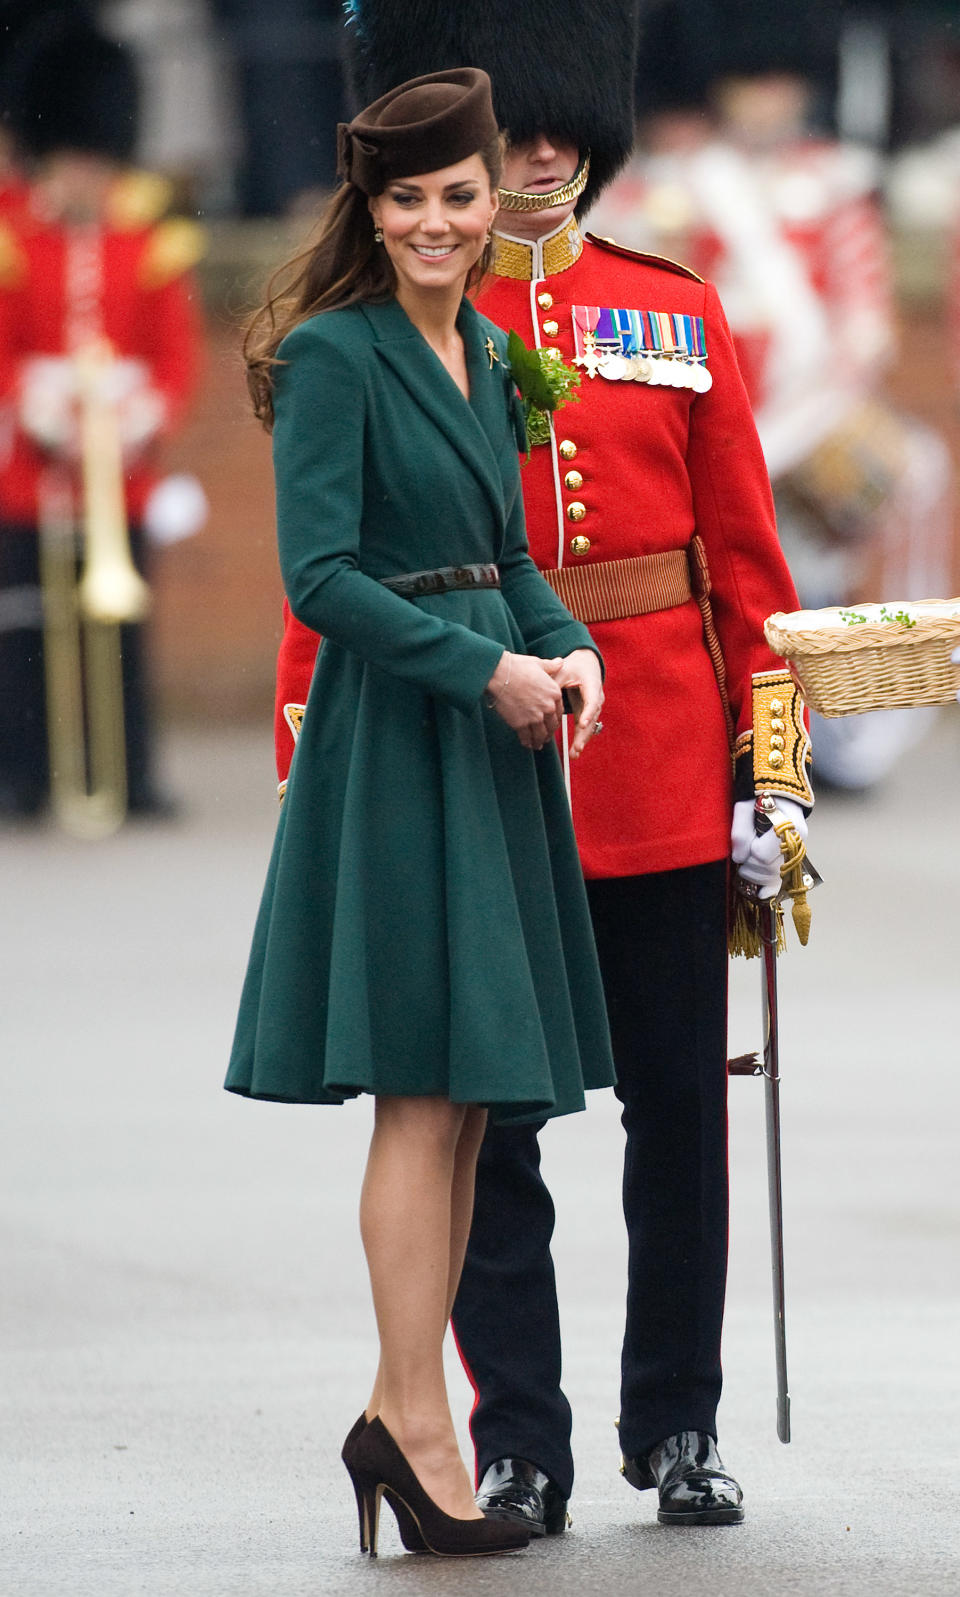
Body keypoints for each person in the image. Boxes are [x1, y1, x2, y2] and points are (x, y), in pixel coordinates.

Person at [273, 0, 815, 1535]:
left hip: (651, 762)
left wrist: (769, 770)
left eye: (567, 121)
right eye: (517, 126)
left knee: (679, 1116)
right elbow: (349, 568)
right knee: (487, 1127)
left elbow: (745, 576)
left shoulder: (673, 311)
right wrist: (312, 748)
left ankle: (680, 1419)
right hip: (466, 763)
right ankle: (517, 1433)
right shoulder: (410, 331)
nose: (547, 151)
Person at [225, 67, 615, 1559]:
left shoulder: (493, 350)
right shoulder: (335, 358)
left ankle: (407, 1416)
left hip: (494, 726)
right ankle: (414, 1417)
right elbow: (319, 579)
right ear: (372, 213)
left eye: (459, 194)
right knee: (419, 1090)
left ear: (489, 200)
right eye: (409, 200)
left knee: (467, 1104)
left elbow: (503, 550)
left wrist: (565, 642)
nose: (439, 221)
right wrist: (487, 670)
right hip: (402, 740)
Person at [0, 17, 204, 820]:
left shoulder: (147, 238)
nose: (83, 173)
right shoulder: (15, 239)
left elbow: (174, 359)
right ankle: (26, 773)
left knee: (120, 635)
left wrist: (136, 414)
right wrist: (35, 403)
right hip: (30, 479)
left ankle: (132, 773)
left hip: (118, 476)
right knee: (25, 636)